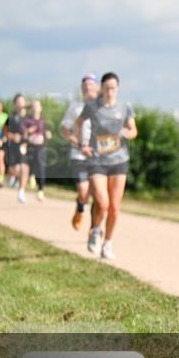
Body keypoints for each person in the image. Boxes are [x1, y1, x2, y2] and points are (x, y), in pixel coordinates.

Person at [75, 72, 137, 260]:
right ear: (101, 88)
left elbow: (134, 130)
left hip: (119, 161)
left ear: (117, 89)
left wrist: (127, 133)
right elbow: (78, 124)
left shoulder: (125, 107)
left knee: (115, 208)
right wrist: (82, 144)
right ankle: (95, 230)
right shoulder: (92, 107)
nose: (110, 92)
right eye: (107, 88)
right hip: (97, 161)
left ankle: (107, 243)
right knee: (102, 202)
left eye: (113, 88)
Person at [61, 75, 101, 229]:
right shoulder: (75, 107)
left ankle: (94, 229)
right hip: (78, 154)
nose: (87, 88)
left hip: (97, 157)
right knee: (84, 192)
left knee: (97, 194)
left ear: (97, 88)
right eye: (85, 86)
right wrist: (79, 144)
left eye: (91, 85)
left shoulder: (103, 107)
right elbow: (65, 130)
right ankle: (80, 208)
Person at [22, 100, 52, 202]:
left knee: (42, 168)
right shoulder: (27, 121)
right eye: (34, 105)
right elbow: (23, 134)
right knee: (32, 164)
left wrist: (48, 134)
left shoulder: (43, 121)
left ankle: (40, 191)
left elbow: (46, 133)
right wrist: (28, 132)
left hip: (41, 147)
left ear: (40, 108)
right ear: (31, 108)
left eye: (37, 105)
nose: (36, 107)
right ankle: (31, 175)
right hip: (31, 147)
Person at [5, 94, 30, 202]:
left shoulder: (29, 118)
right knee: (15, 169)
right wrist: (12, 136)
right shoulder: (11, 117)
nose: (20, 103)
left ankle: (21, 192)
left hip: (25, 146)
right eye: (18, 101)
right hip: (13, 146)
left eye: (22, 101)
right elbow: (5, 131)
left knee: (25, 168)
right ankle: (11, 175)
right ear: (15, 104)